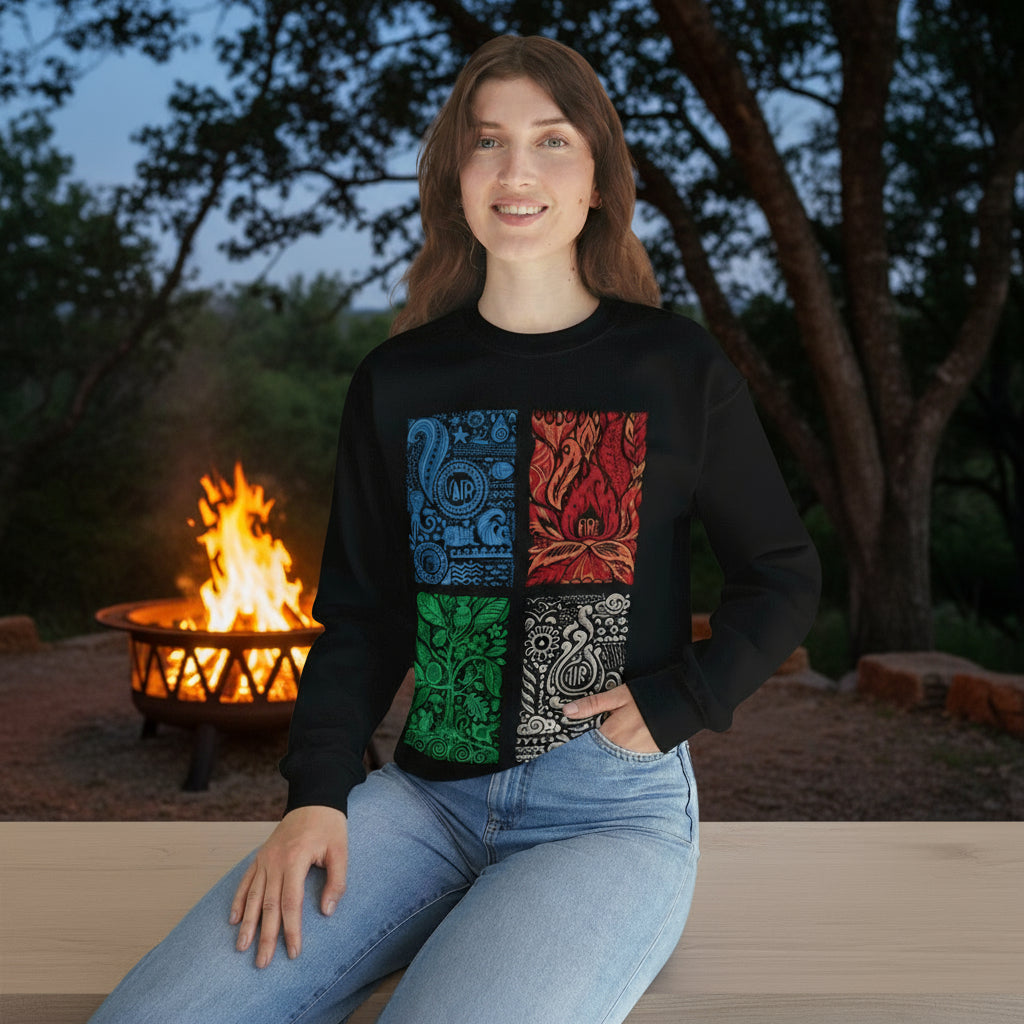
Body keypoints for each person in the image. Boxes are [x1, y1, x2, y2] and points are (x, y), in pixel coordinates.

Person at [89, 34, 821, 1024]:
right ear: (457, 177)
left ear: (599, 176)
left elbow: (780, 575)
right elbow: (359, 613)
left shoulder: (672, 369)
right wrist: (316, 792)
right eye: (488, 142)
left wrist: (686, 694)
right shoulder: (399, 381)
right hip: (421, 801)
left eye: (551, 141)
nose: (517, 170)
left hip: (605, 811)